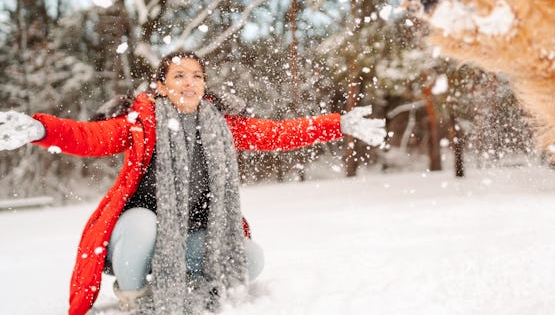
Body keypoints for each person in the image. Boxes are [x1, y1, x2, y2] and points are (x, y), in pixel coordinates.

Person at [0, 50, 386, 315]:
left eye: (197, 76)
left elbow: (278, 134)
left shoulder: (223, 126)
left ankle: (191, 289)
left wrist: (338, 124)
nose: (190, 82)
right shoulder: (143, 123)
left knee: (250, 257)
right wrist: (41, 129)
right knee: (142, 222)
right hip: (139, 241)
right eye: (179, 76)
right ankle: (135, 296)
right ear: (162, 85)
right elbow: (91, 137)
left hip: (187, 241)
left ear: (205, 84)